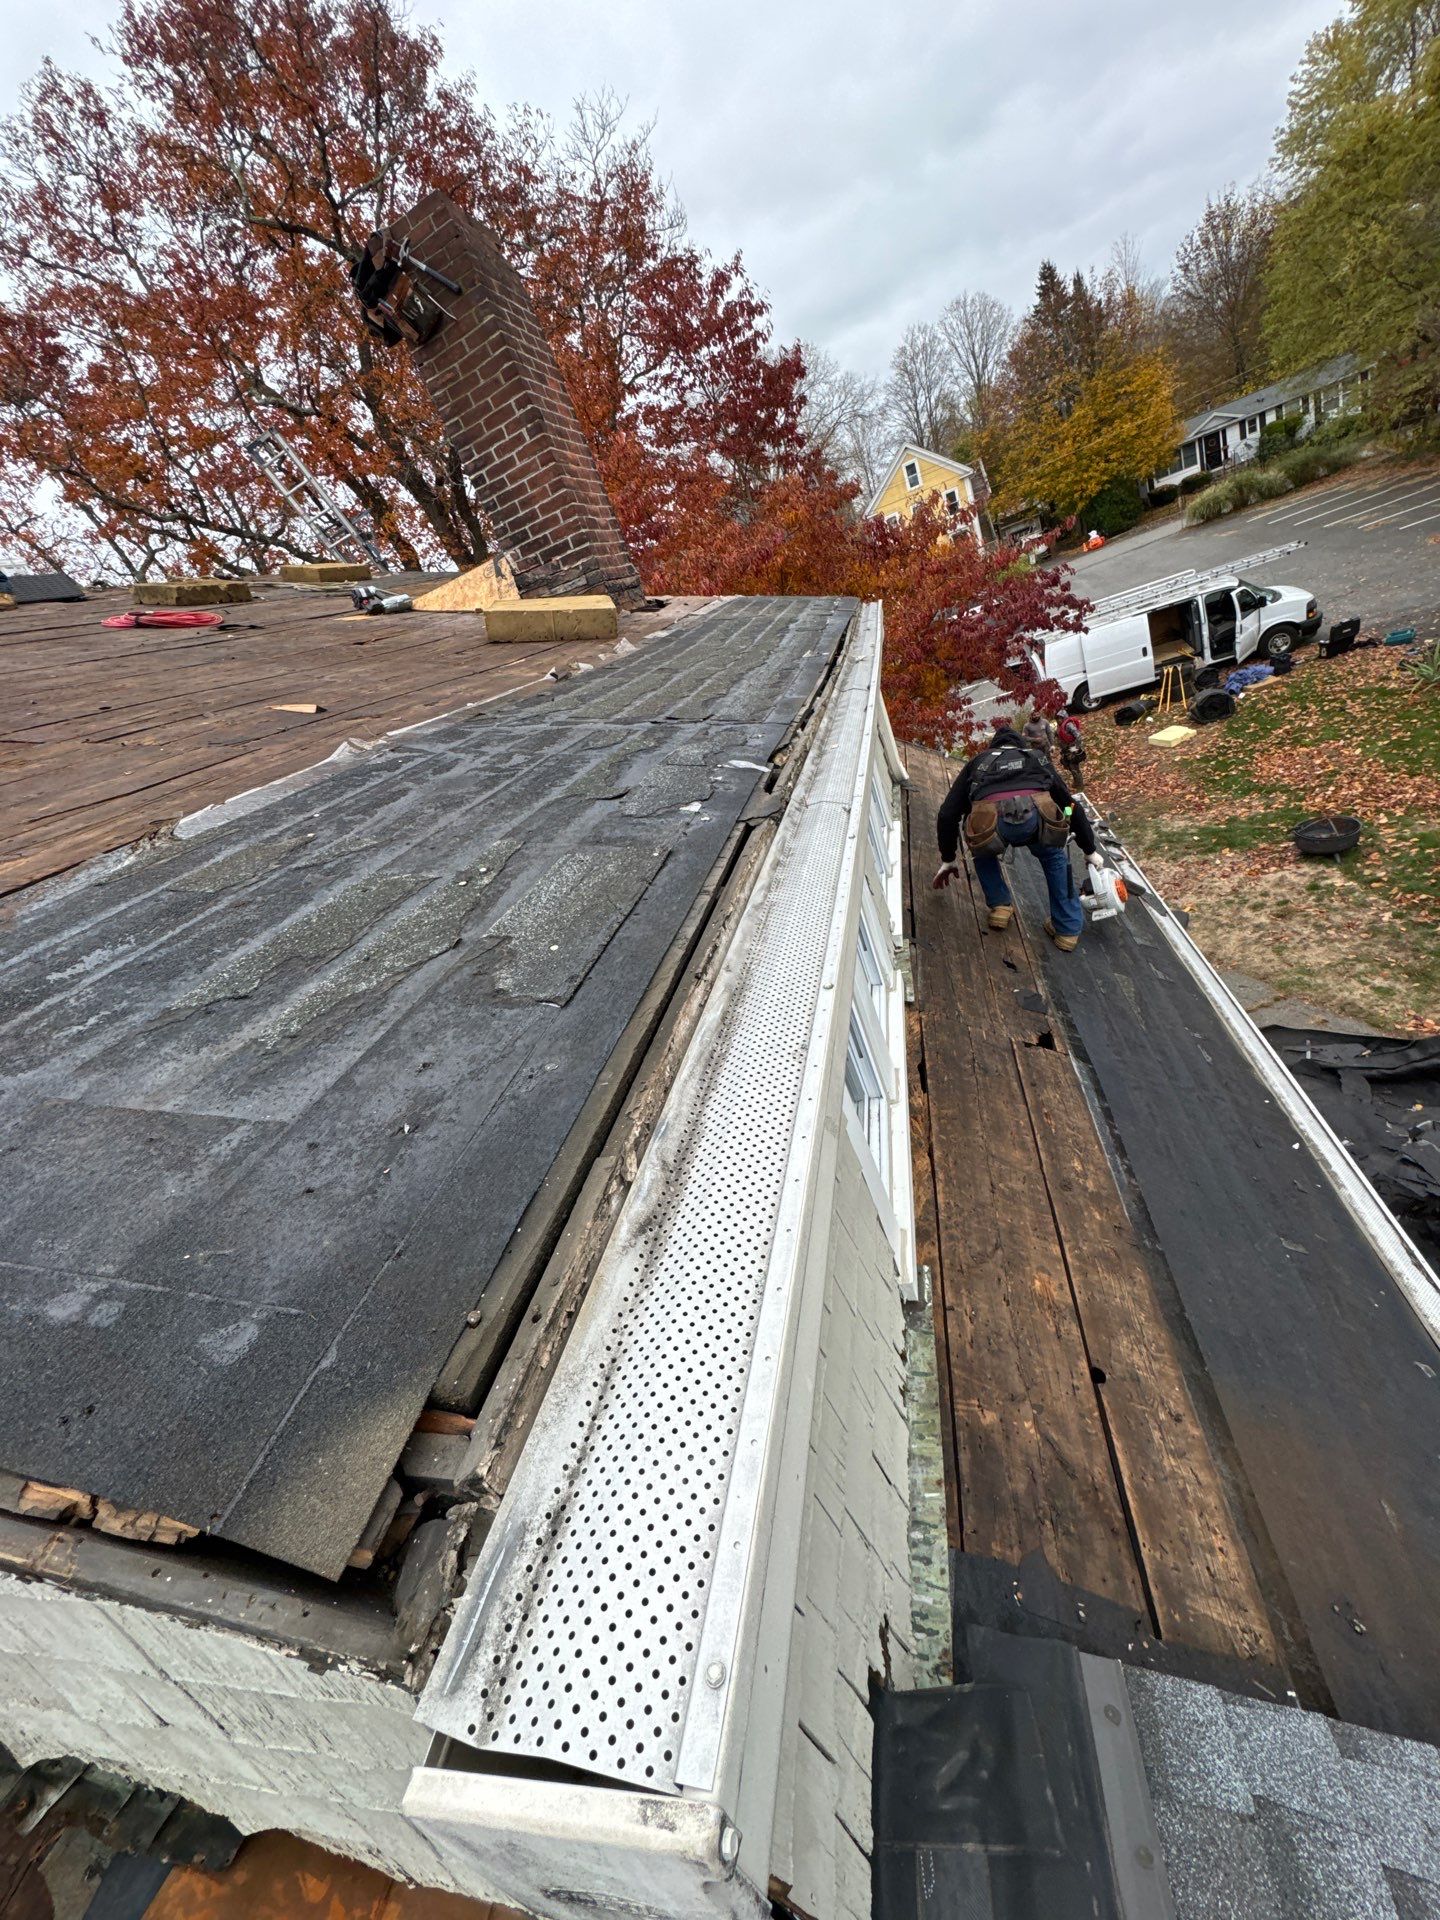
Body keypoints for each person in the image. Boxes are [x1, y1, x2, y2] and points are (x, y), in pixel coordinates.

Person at [932, 725, 1101, 952]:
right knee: (1053, 857)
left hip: (992, 825)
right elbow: (1070, 805)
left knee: (981, 847)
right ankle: (1067, 930)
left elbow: (947, 814)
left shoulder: (979, 762)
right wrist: (1089, 849)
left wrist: (948, 858)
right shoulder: (1036, 758)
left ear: (993, 747)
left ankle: (1000, 907)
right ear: (1020, 745)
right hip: (1036, 820)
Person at [1055, 712, 1087, 791]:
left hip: (1072, 748)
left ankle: (1080, 785)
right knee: (1067, 765)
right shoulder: (1059, 727)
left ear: (1064, 717)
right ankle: (1076, 782)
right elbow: (1058, 736)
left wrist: (1076, 749)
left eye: (1060, 718)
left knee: (1074, 766)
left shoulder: (1069, 725)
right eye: (1057, 718)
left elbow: (1078, 736)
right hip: (1065, 749)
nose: (1059, 720)